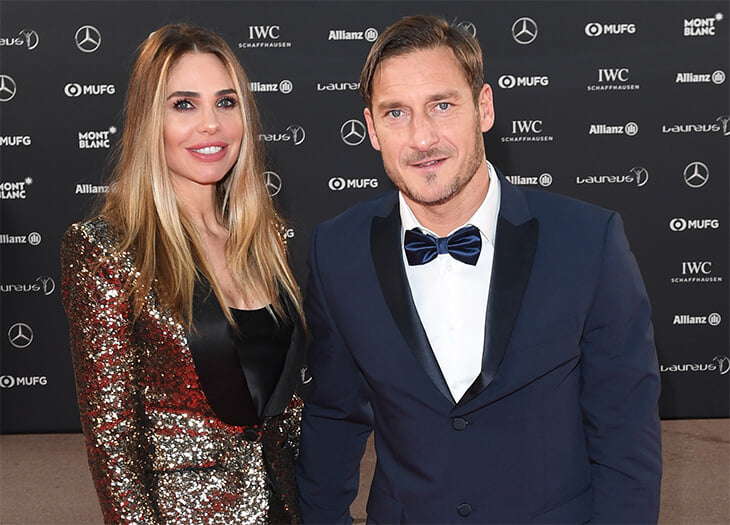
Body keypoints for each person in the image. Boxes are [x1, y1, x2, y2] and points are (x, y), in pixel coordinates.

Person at [297, 14, 662, 524]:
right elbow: (333, 419)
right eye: (396, 113)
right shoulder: (337, 250)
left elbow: (625, 435)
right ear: (372, 129)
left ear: (483, 107)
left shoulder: (588, 241)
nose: (422, 138)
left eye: (442, 106)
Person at [61, 24, 306, 524]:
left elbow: (288, 405)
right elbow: (113, 441)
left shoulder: (267, 240)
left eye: (226, 102)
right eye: (184, 105)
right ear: (150, 121)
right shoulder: (108, 249)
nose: (211, 124)